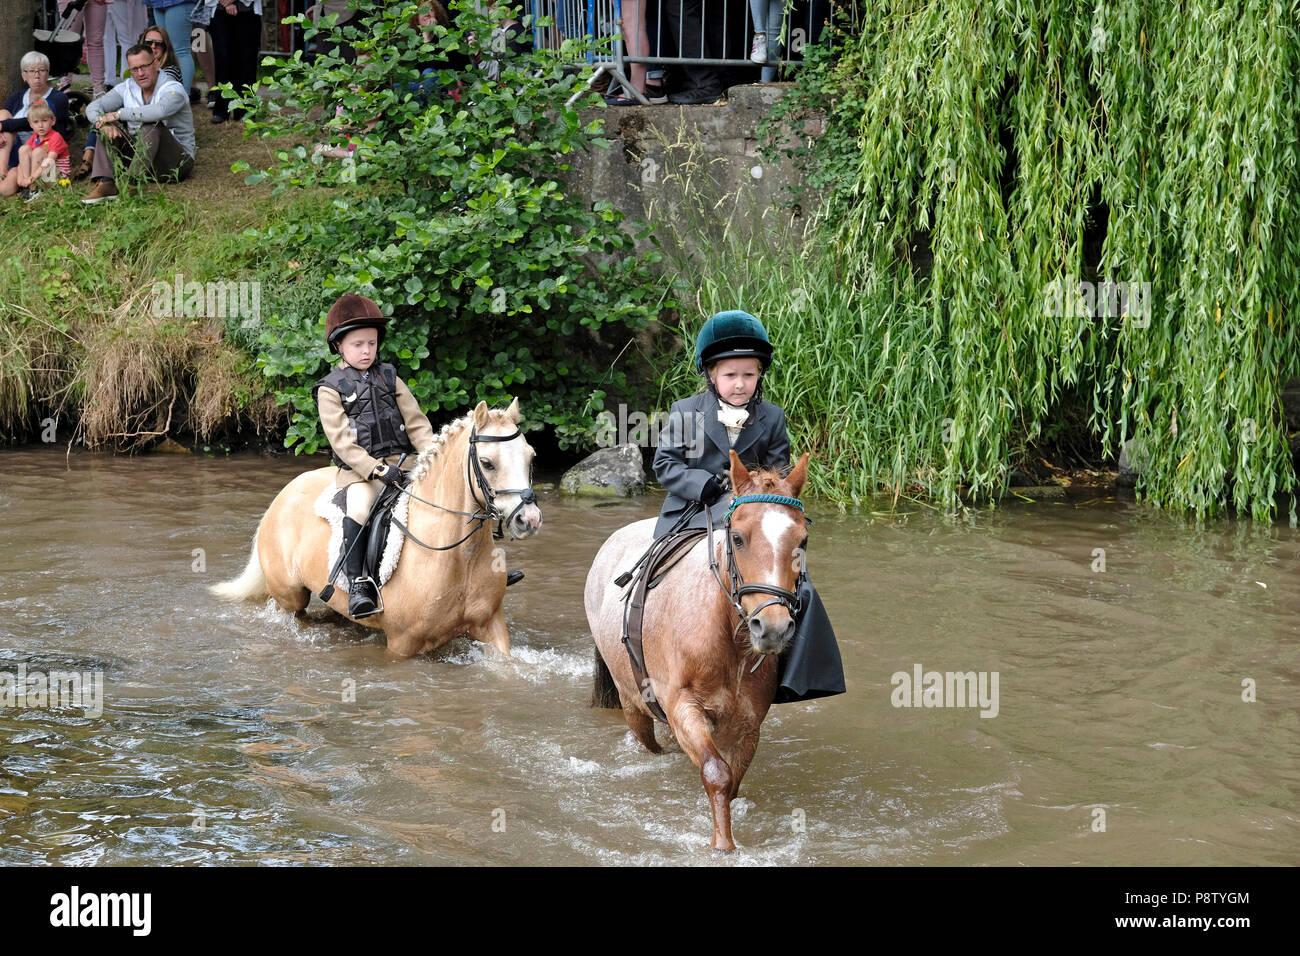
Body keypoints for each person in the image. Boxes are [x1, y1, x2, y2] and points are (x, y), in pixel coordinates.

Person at [652, 309, 846, 703]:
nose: (739, 384)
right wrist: (704, 484)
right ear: (711, 375)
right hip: (692, 509)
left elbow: (781, 471)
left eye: (748, 375)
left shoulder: (772, 417)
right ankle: (647, 653)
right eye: (730, 375)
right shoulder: (685, 412)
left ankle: (792, 678)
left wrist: (764, 493)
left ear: (759, 377)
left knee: (800, 583)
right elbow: (664, 464)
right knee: (652, 576)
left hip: (753, 513)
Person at [312, 294, 438, 618]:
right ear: (339, 346)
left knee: (448, 496)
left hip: (403, 463)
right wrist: (376, 469)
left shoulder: (389, 376)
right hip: (359, 472)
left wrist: (436, 456)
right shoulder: (330, 389)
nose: (367, 351)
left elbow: (417, 423)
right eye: (358, 344)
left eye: (371, 343)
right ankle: (359, 583)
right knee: (360, 506)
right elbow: (342, 443)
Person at [83, 43, 196, 203]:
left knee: (151, 124)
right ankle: (106, 183)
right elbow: (94, 107)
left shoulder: (173, 89)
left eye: (144, 66)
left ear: (156, 63)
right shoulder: (127, 86)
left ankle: (132, 184)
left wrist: (119, 114)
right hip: (143, 158)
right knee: (106, 125)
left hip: (175, 164)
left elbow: (160, 111)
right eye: (135, 69)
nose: (140, 73)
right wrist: (103, 122)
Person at [0, 53, 72, 176]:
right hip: (13, 149)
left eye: (42, 71)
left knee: (6, 125)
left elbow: (34, 122)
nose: (36, 76)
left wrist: (2, 126)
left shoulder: (58, 98)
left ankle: (12, 175)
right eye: (31, 71)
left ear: (48, 74)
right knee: (3, 113)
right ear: (24, 76)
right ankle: (2, 170)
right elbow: (3, 119)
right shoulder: (16, 97)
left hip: (41, 151)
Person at [1, 102, 71, 200]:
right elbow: (23, 159)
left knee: (38, 151)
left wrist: (31, 178)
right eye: (36, 122)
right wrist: (22, 178)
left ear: (53, 121)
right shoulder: (35, 137)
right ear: (30, 124)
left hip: (56, 178)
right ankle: (27, 188)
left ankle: (34, 188)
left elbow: (49, 162)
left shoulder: (56, 137)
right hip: (39, 176)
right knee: (23, 149)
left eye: (44, 121)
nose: (40, 125)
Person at [208, 0, 262, 124]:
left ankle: (245, 109)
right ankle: (222, 110)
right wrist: (225, 2)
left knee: (247, 61)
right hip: (220, 10)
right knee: (222, 60)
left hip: (248, 11)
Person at [142, 0, 197, 93]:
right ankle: (167, 93)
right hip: (158, 3)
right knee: (165, 49)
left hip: (180, 2)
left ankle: (184, 95)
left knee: (181, 51)